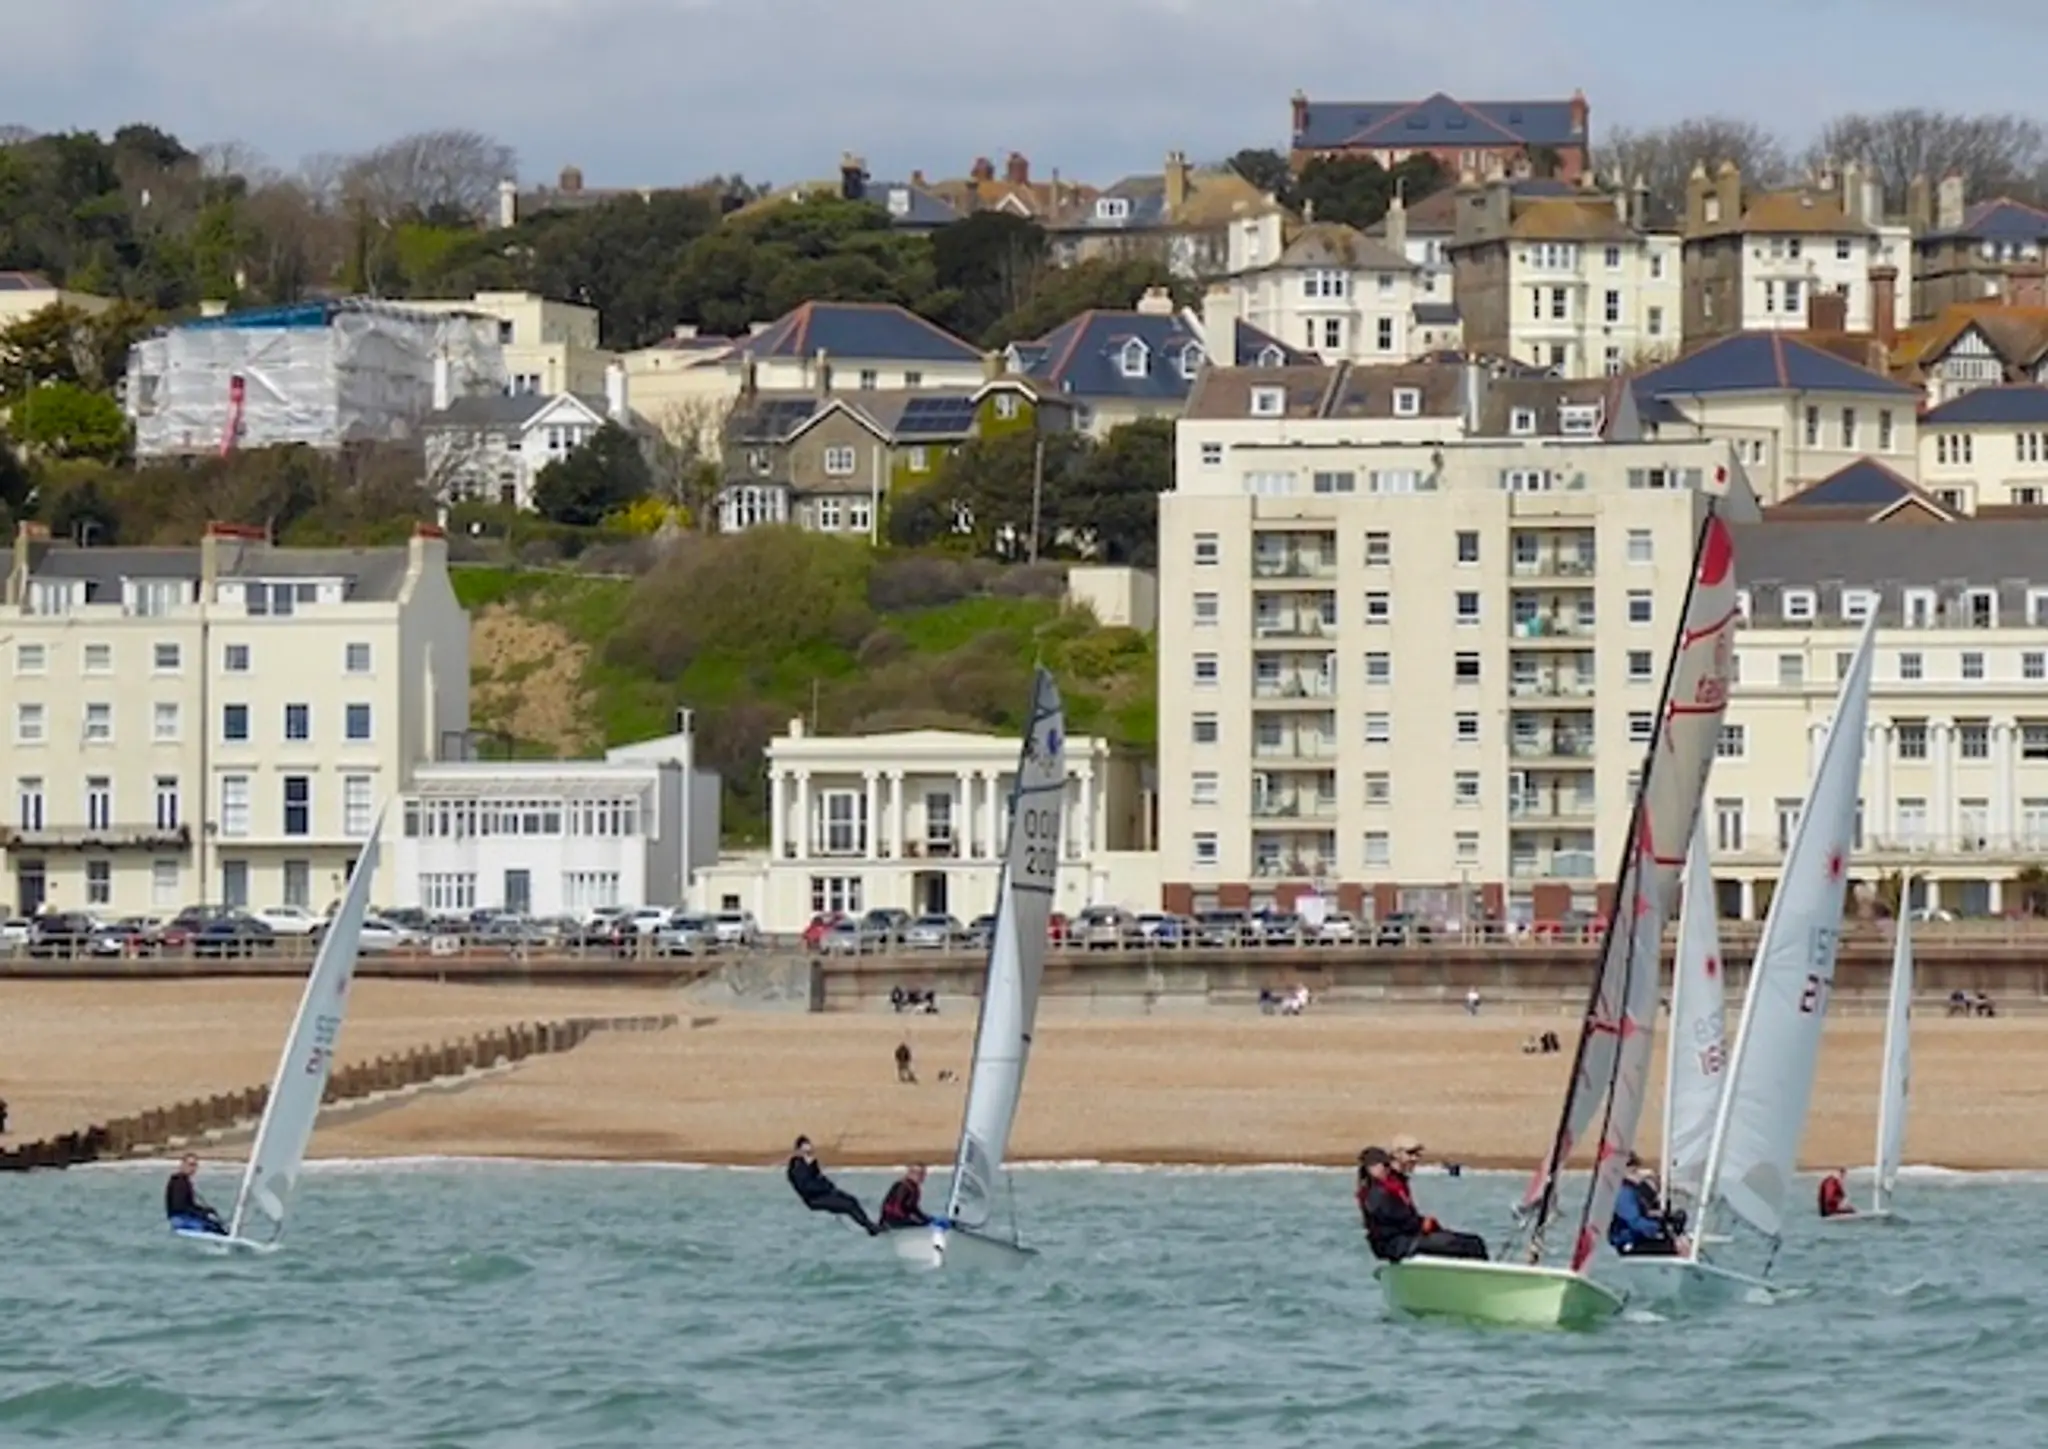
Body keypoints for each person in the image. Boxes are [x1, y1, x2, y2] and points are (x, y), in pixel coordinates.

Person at [1357, 1138, 1488, 1263]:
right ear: (1396, 1155)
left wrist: (1423, 1225)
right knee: (1471, 1245)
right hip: (1397, 1245)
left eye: (1418, 1154)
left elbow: (1401, 1215)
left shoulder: (1394, 1181)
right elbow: (1393, 1218)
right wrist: (1421, 1224)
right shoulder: (1376, 1191)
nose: (1415, 1158)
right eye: (1411, 1153)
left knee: (1473, 1241)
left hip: (1406, 1239)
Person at [786, 1135, 881, 1234]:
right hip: (815, 1199)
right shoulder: (797, 1168)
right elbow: (807, 1187)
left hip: (825, 1193)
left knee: (852, 1200)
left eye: (810, 1152)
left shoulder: (809, 1163)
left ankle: (870, 1225)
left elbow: (818, 1177)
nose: (809, 1156)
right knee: (849, 1206)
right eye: (806, 1153)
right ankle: (871, 1228)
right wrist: (825, 1186)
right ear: (798, 1151)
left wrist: (814, 1167)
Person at [1609, 1155, 1685, 1256]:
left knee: (1682, 1243)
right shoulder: (1623, 1193)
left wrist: (1665, 1217)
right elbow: (1635, 1222)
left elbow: (1645, 1213)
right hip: (1630, 1244)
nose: (1639, 1174)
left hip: (1639, 1239)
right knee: (1679, 1248)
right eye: (1634, 1171)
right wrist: (1659, 1226)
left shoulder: (1632, 1190)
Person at [165, 1153, 227, 1235]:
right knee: (213, 1227)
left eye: (195, 1165)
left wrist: (205, 1210)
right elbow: (180, 1206)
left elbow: (188, 1204)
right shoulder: (178, 1181)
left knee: (216, 1225)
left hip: (184, 1217)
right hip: (180, 1219)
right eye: (190, 1165)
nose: (192, 1168)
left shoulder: (185, 1181)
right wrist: (202, 1213)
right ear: (182, 1165)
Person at [879, 1164, 940, 1230]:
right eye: (920, 1174)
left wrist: (926, 1218)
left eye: (923, 1174)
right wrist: (910, 1219)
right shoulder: (902, 1186)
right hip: (891, 1221)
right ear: (910, 1174)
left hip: (901, 1219)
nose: (922, 1177)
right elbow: (896, 1208)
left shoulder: (914, 1188)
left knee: (927, 1222)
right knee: (922, 1225)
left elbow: (913, 1208)